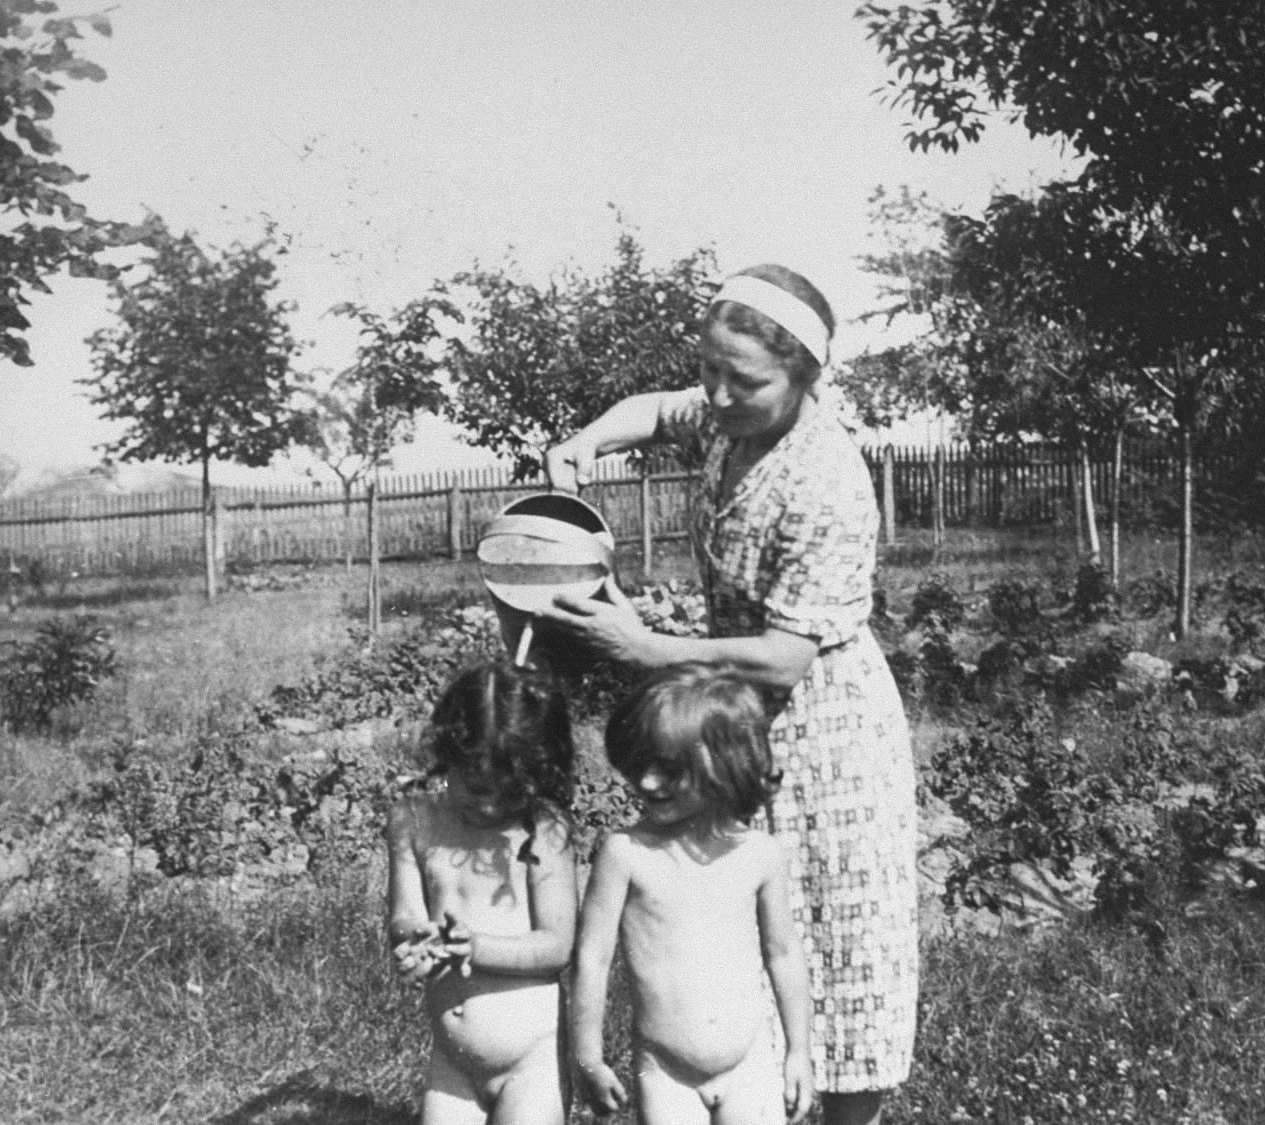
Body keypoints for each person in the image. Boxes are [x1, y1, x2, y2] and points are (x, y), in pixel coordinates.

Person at [540, 264, 916, 1125]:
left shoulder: (825, 476)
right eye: (708, 366)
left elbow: (788, 658)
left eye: (741, 379)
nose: (714, 391)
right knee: (726, 926)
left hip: (826, 732)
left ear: (806, 377)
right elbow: (658, 409)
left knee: (842, 948)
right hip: (734, 720)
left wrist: (647, 650)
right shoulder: (720, 417)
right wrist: (589, 438)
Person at [571, 666, 813, 1125]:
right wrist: (589, 1058)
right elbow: (592, 959)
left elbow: (784, 955)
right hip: (665, 1069)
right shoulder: (626, 854)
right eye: (638, 765)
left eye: (668, 769)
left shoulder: (760, 854)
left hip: (751, 1061)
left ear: (725, 767)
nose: (646, 783)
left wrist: (799, 1051)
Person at [385, 662, 580, 1125]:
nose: (490, 805)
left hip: (533, 1064)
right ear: (448, 754)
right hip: (453, 1063)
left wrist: (476, 947)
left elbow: (556, 946)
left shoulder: (542, 832)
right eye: (475, 787)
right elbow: (403, 914)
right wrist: (413, 939)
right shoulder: (413, 822)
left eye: (510, 792)